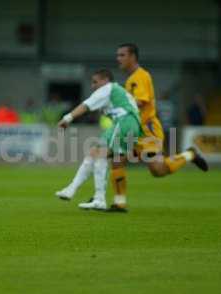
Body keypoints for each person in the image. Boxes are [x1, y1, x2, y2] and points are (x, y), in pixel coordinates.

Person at [56, 43, 208, 212]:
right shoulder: (128, 81)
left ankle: (190, 154)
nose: (118, 59)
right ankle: (116, 201)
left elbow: (141, 101)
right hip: (132, 128)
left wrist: (117, 105)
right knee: (114, 158)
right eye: (117, 55)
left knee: (158, 169)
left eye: (122, 55)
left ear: (133, 57)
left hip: (146, 129)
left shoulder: (140, 76)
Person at [57, 69, 141, 210]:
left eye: (95, 82)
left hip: (124, 122)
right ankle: (74, 190)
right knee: (95, 153)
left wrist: (67, 118)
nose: (93, 86)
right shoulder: (119, 92)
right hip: (130, 124)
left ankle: (97, 198)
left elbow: (86, 105)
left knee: (99, 154)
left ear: (105, 80)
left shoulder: (108, 88)